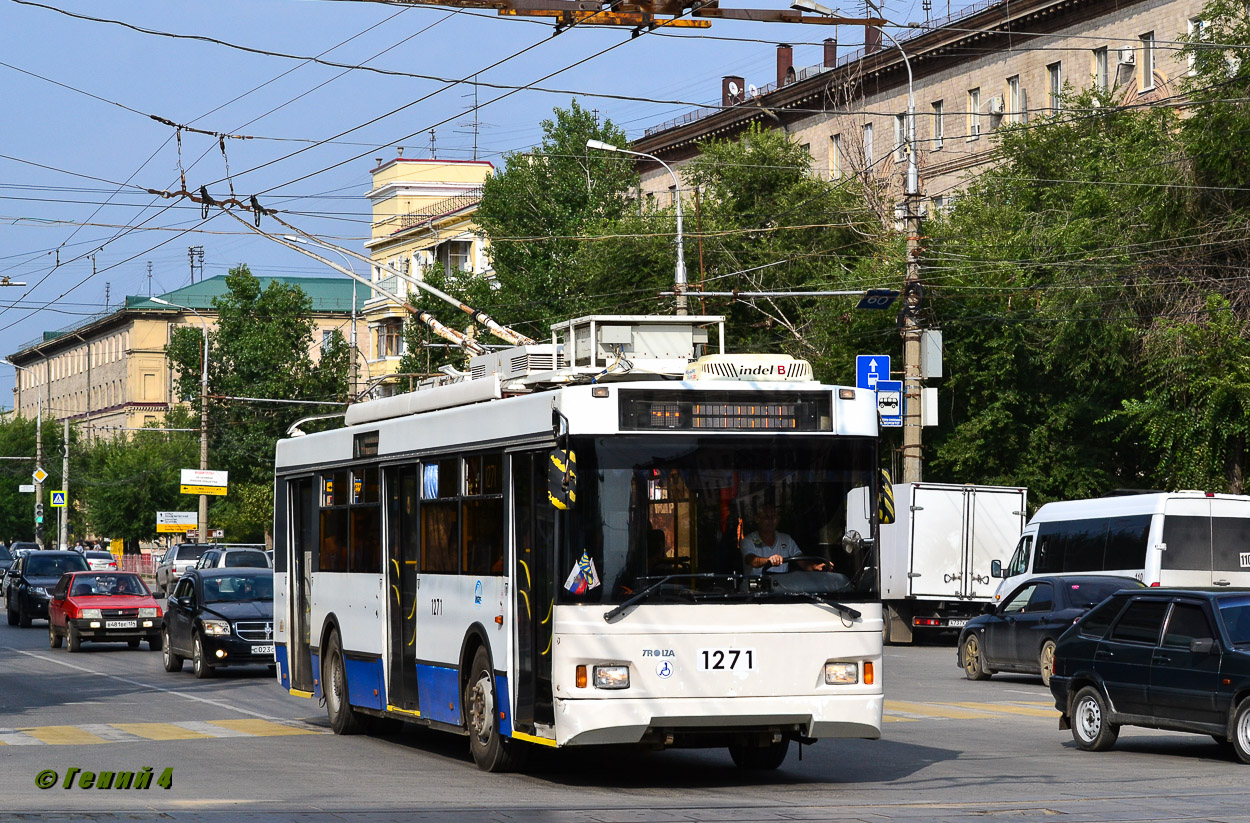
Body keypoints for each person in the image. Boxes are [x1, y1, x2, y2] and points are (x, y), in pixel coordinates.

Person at [740, 503, 828, 575]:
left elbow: (802, 562)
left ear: (778, 519)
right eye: (766, 517)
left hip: (782, 591)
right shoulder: (748, 541)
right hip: (755, 593)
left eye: (774, 517)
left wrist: (815, 567)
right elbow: (752, 560)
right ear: (757, 519)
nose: (771, 520)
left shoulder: (786, 539)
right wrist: (769, 560)